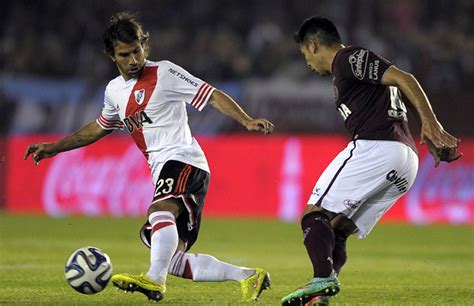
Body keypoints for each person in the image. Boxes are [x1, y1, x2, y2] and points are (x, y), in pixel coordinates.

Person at [24, 11, 274, 303]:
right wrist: (55, 147)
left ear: (144, 46)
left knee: (159, 213)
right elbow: (98, 128)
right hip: (165, 169)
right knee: (170, 255)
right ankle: (247, 275)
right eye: (125, 54)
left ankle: (154, 281)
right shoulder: (114, 91)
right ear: (111, 55)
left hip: (184, 160)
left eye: (137, 51)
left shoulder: (164, 73)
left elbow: (212, 94)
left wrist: (245, 121)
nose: (133, 60)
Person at [281, 17, 462, 306]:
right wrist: (424, 128)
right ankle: (319, 297)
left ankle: (321, 279)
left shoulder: (347, 58)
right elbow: (399, 87)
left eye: (305, 54)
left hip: (376, 147)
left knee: (313, 214)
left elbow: (406, 79)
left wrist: (431, 124)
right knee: (338, 229)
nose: (307, 63)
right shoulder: (351, 70)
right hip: (405, 161)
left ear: (312, 45)